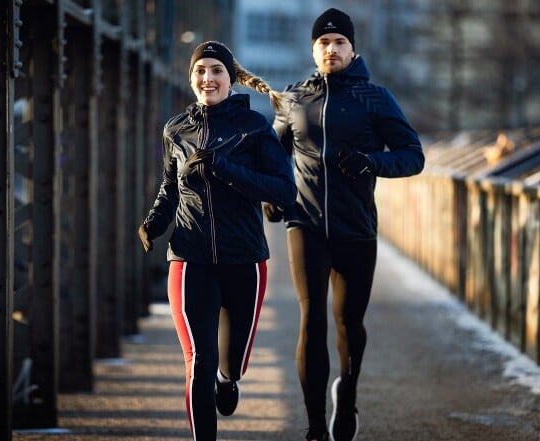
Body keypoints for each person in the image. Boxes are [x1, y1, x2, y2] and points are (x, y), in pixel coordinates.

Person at [266, 8, 425, 441]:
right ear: (313, 50)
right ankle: (316, 427)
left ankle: (347, 394)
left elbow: (413, 155)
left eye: (339, 42)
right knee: (311, 318)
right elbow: (271, 153)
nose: (330, 49)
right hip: (307, 224)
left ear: (353, 49)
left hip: (357, 229)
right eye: (323, 43)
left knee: (349, 324)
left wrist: (372, 162)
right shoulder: (294, 97)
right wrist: (273, 193)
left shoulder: (377, 99)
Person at [137, 40, 297, 441]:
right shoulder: (176, 128)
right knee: (199, 362)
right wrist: (155, 221)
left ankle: (230, 379)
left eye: (216, 71)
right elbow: (170, 186)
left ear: (230, 78)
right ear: (191, 78)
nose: (207, 78)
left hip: (245, 259)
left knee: (231, 363)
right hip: (190, 259)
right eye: (200, 71)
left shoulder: (255, 127)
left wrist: (224, 169)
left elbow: (283, 191)